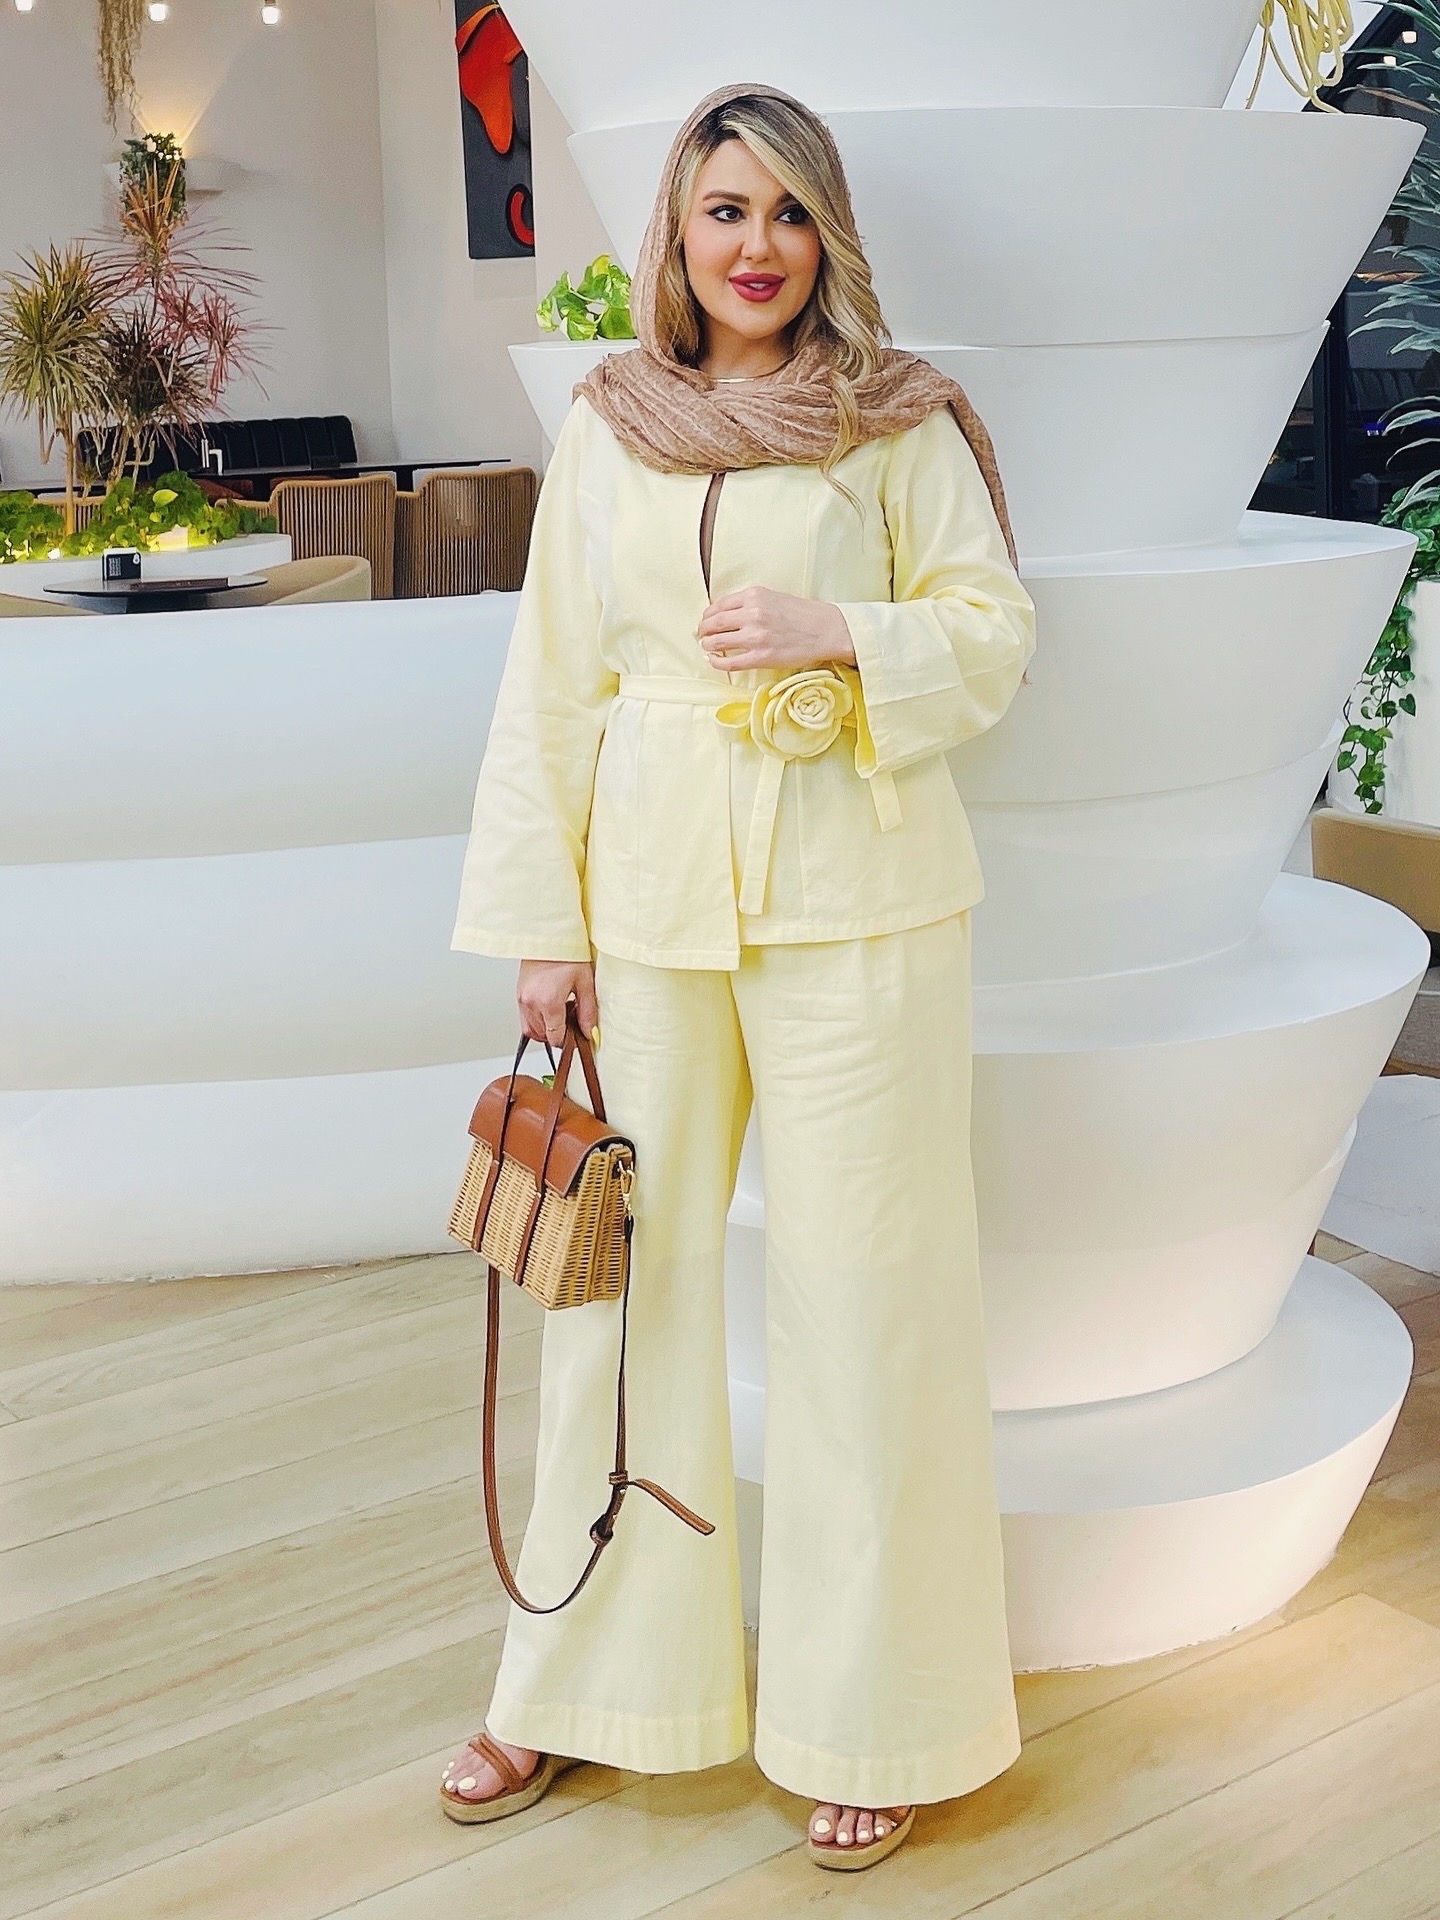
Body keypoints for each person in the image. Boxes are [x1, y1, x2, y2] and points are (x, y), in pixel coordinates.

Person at [442, 79, 1036, 1871]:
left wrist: (840, 631)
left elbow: (997, 631)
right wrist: (544, 925)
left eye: (786, 211)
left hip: (864, 901)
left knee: (868, 1305)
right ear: (676, 235)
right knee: (624, 1301)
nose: (755, 246)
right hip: (646, 909)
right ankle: (579, 1688)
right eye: (724, 211)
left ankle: (881, 1717)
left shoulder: (899, 421)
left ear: (825, 229)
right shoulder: (609, 427)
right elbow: (551, 683)